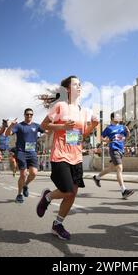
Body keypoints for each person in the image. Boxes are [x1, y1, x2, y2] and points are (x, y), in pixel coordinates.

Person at [36, 75, 99, 240]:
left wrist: (93, 125)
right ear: (68, 89)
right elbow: (43, 126)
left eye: (80, 84)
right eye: (76, 84)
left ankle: (57, 224)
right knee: (67, 190)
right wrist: (62, 126)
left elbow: (81, 136)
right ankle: (47, 197)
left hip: (76, 156)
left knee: (72, 194)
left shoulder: (84, 111)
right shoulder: (60, 106)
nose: (79, 86)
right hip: (60, 154)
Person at [5, 108, 45, 204]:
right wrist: (10, 126)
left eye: (31, 114)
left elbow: (47, 130)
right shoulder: (19, 126)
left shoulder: (36, 125)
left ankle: (25, 185)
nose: (29, 116)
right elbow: (7, 134)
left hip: (32, 152)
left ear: (32, 115)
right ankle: (19, 194)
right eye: (27, 114)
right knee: (23, 174)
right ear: (24, 115)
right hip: (21, 152)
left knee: (34, 173)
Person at [92, 112, 134, 199]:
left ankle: (97, 177)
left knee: (111, 168)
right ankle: (124, 191)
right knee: (119, 168)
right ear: (112, 118)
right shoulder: (109, 128)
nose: (119, 117)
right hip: (114, 149)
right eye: (116, 116)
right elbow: (101, 137)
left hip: (121, 150)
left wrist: (128, 132)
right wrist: (107, 141)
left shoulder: (123, 127)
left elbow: (126, 137)